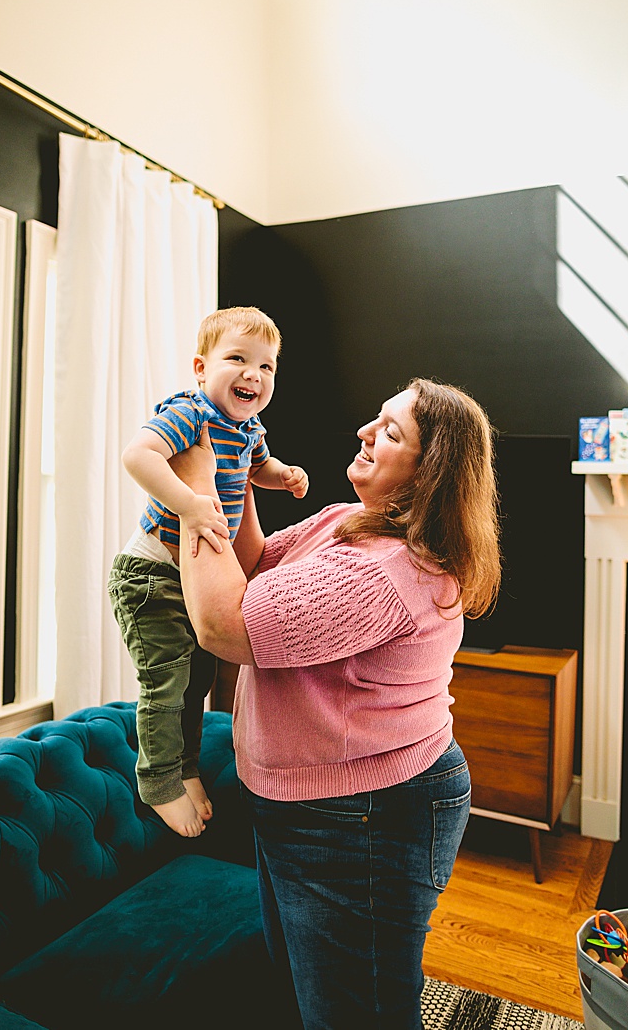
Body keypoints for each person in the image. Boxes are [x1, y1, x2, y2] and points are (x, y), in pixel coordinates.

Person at [175, 378, 501, 1030]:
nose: (364, 432)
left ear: (426, 472)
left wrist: (192, 490)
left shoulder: (386, 570)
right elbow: (258, 564)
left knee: (356, 1012)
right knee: (307, 990)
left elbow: (224, 625)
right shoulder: (346, 522)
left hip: (365, 815)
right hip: (308, 804)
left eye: (390, 431)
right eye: (374, 418)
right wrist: (234, 470)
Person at [112, 306, 308, 837]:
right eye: (238, 359)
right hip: (149, 575)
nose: (254, 374)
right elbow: (138, 455)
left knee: (198, 682)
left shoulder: (248, 428)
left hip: (187, 580)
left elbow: (256, 467)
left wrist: (282, 475)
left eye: (266, 367)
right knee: (168, 680)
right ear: (201, 368)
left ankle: (186, 768)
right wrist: (190, 503)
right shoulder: (190, 413)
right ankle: (156, 781)